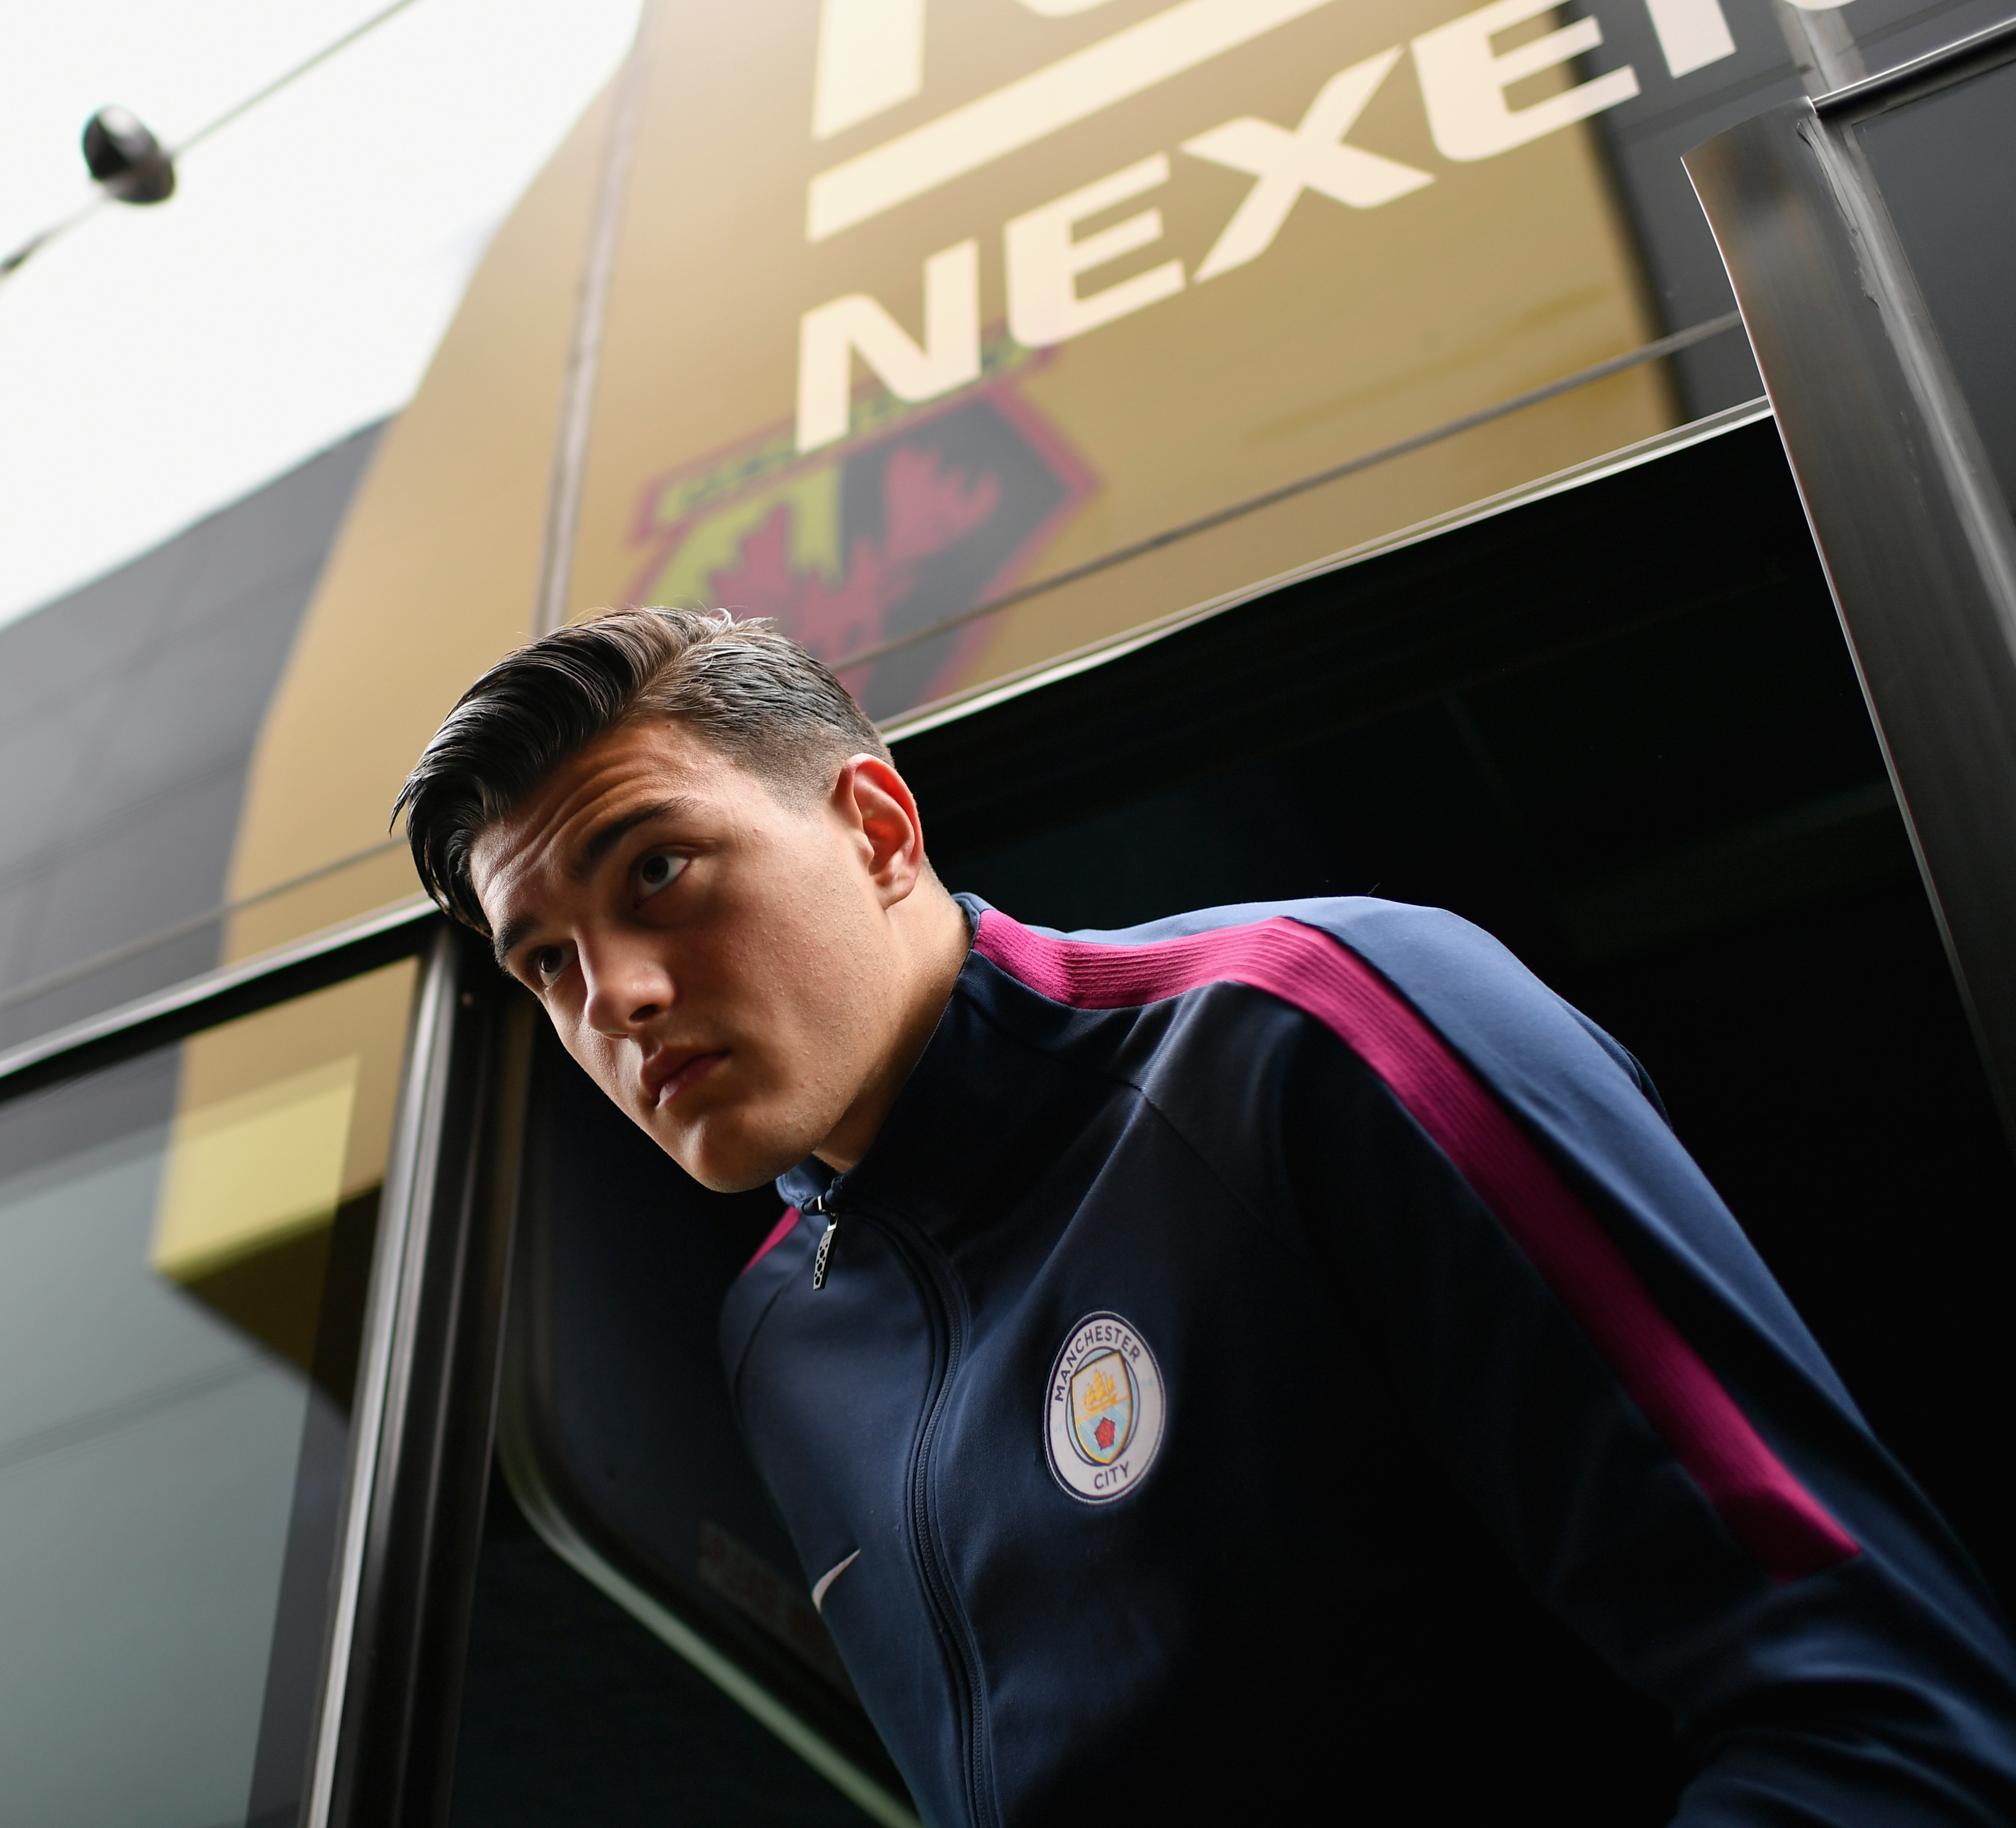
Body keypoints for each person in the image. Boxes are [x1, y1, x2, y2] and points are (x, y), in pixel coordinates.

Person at [395, 606, 2016, 1826]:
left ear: (877, 830)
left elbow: (1880, 1714)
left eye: (658, 872)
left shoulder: (1301, 1031)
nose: (616, 993)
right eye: (543, 958)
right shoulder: (779, 1339)